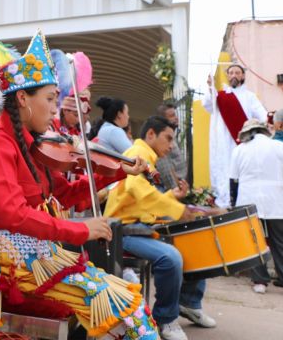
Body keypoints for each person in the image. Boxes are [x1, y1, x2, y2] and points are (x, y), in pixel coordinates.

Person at [0, 32, 159, 340]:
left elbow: (66, 193)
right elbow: (12, 214)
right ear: (22, 98)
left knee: (127, 310)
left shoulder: (34, 146)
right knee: (127, 309)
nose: (55, 108)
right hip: (10, 266)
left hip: (41, 260)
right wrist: (81, 230)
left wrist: (119, 171)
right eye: (51, 99)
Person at [105, 116, 219, 340]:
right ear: (150, 135)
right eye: (168, 138)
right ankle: (165, 319)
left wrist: (171, 197)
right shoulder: (136, 156)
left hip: (138, 226)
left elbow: (142, 203)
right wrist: (177, 209)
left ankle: (189, 303)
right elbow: (143, 196)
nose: (171, 145)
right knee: (171, 258)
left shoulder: (147, 157)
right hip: (121, 231)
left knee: (194, 244)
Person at [229, 119, 283, 293]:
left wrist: (232, 203)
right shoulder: (278, 146)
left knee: (254, 241)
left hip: (248, 199)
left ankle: (260, 281)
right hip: (276, 199)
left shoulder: (239, 150)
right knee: (279, 241)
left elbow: (234, 180)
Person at [203, 64, 267, 206]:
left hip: (244, 141)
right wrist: (210, 87)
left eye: (237, 72)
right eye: (231, 72)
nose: (234, 75)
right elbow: (207, 105)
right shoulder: (220, 96)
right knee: (225, 170)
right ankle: (226, 202)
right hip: (224, 143)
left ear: (243, 76)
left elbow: (262, 116)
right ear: (227, 75)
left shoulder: (250, 97)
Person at [155, 103, 187, 191]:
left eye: (175, 115)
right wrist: (174, 190)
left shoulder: (171, 136)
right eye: (172, 116)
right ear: (163, 119)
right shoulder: (163, 139)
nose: (176, 118)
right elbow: (164, 167)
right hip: (172, 189)